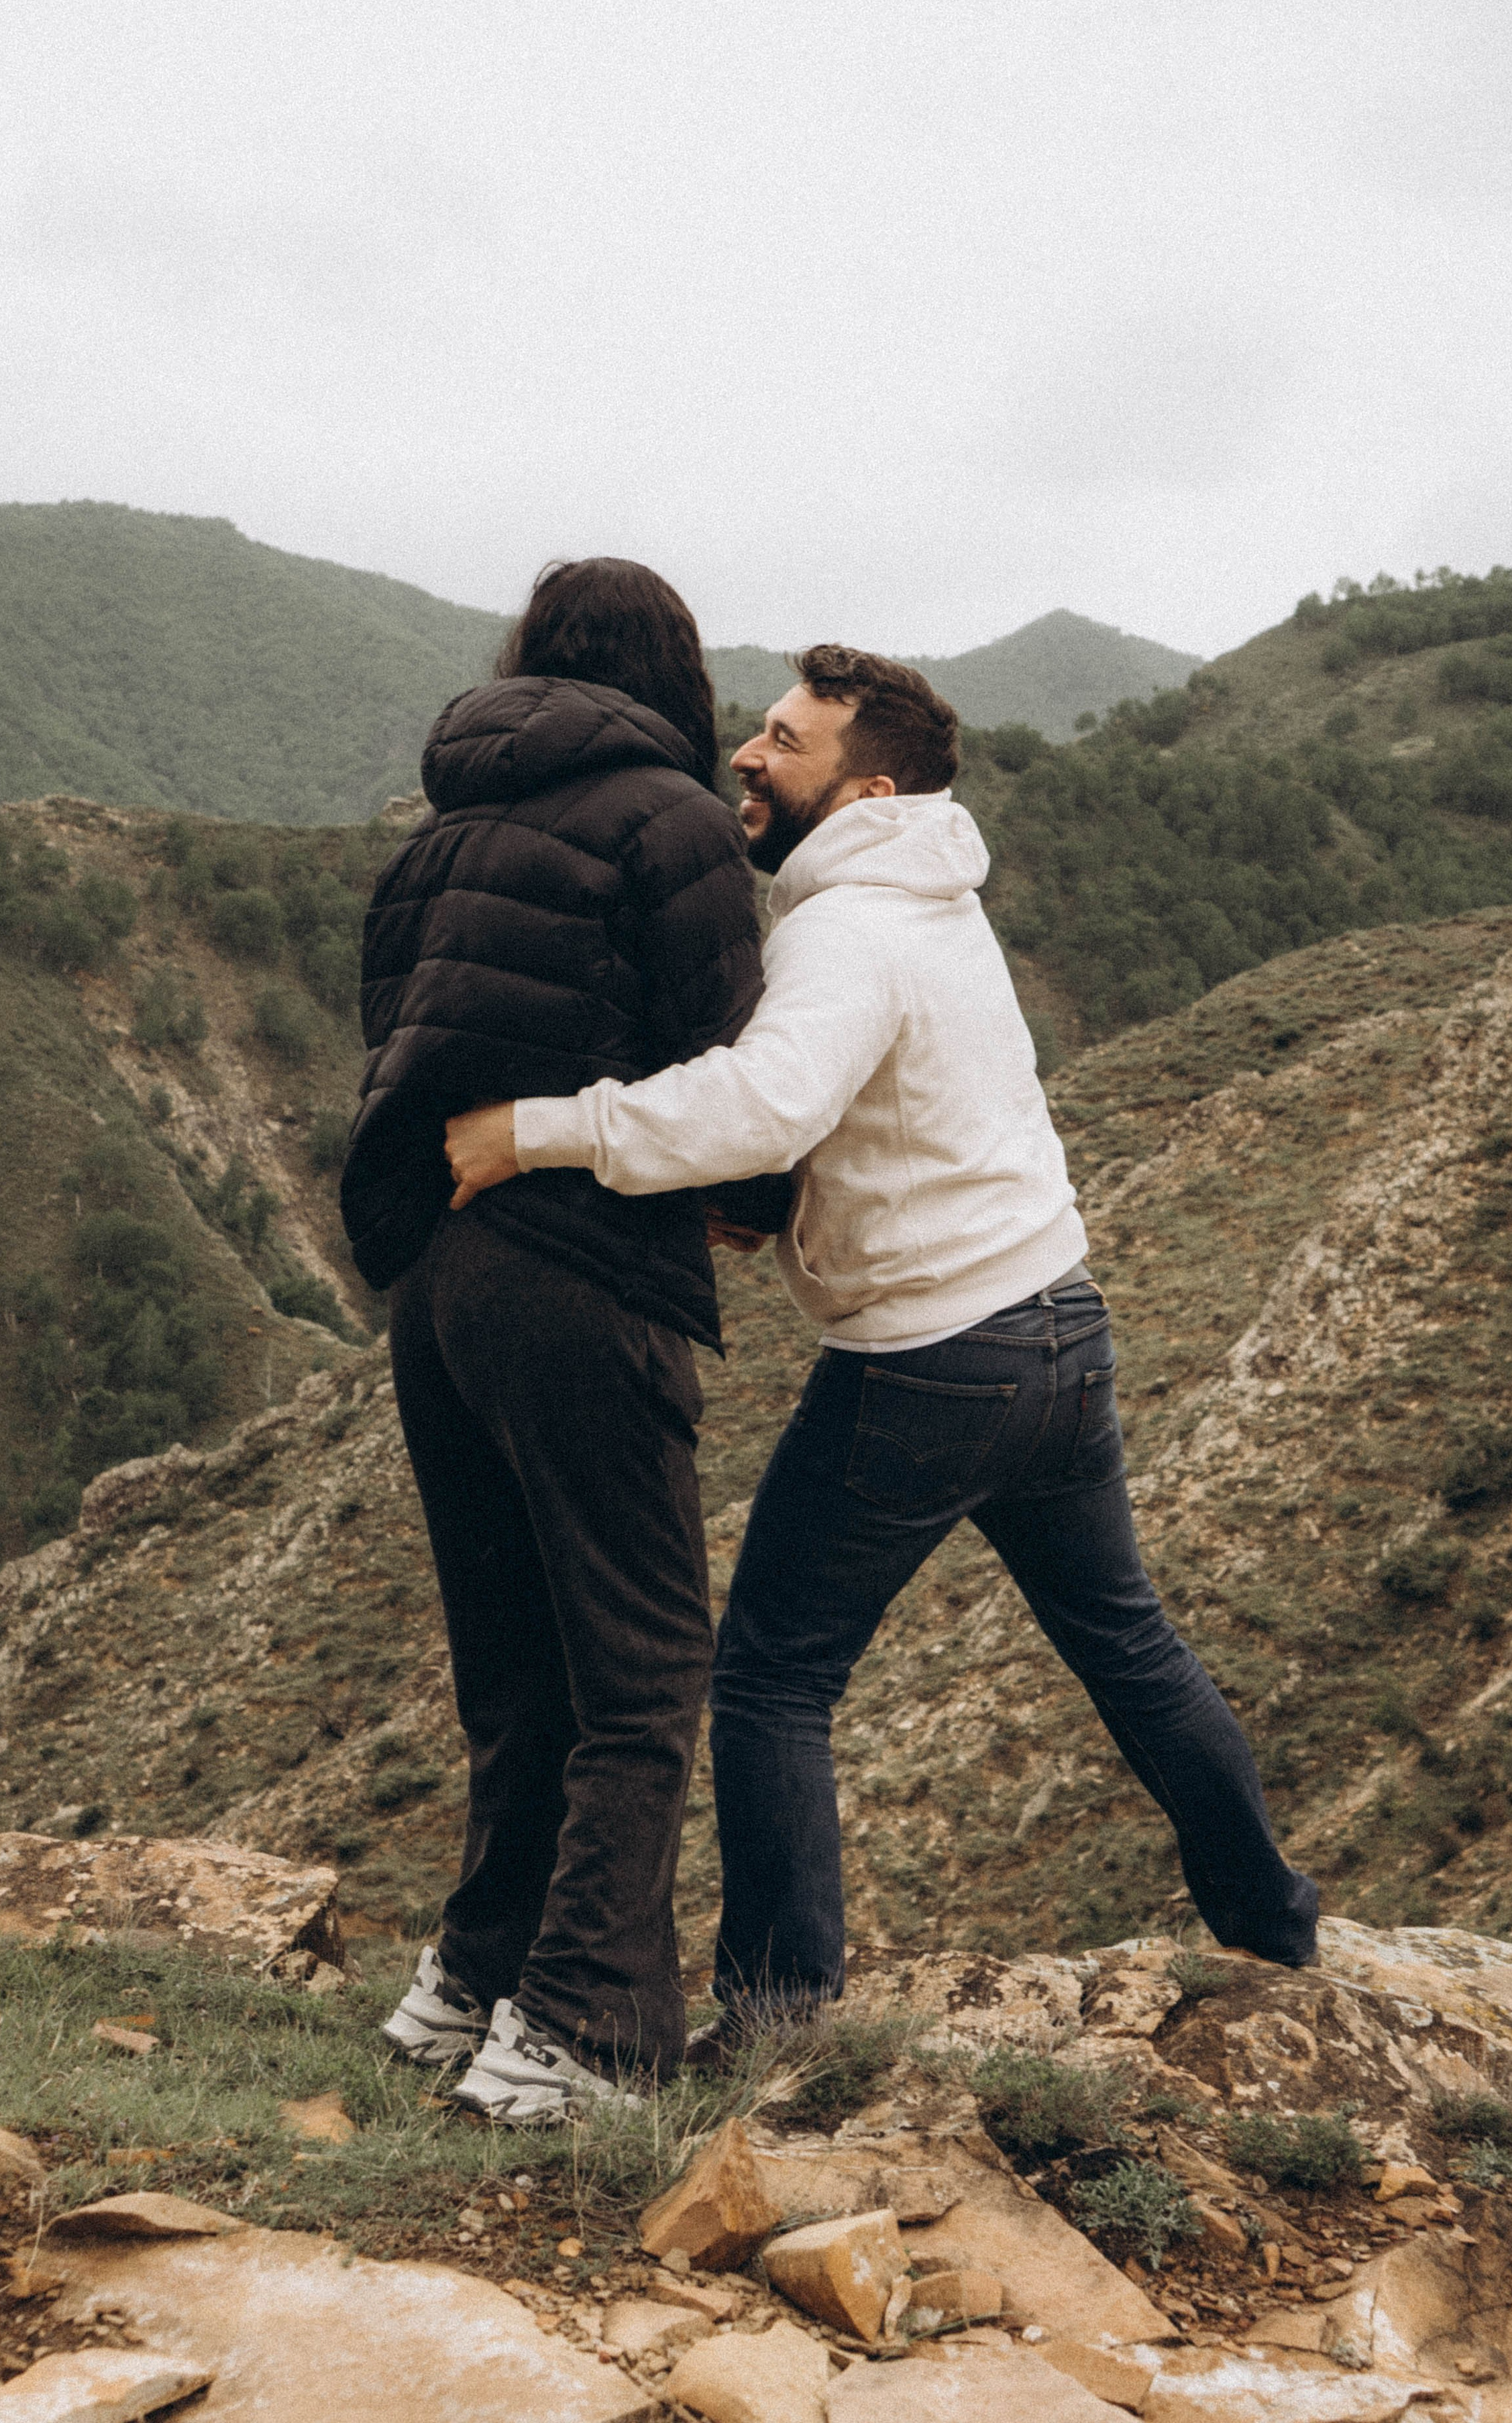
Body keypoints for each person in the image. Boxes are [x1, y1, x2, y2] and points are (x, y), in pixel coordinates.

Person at [443, 644, 1319, 2052]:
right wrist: (791, 1216)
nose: (747, 754)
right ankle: (1271, 1923)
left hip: (930, 1363)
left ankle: (777, 2018)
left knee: (772, 1676)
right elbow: (889, 1112)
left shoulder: (844, 926)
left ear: (867, 785)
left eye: (783, 742)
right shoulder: (928, 899)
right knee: (1127, 1648)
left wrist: (538, 1128)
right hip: (1055, 1324)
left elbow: (768, 1104)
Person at [339, 557, 787, 2122]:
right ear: (675, 672)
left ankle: (467, 1982)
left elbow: (398, 1051)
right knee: (644, 1660)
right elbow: (731, 1055)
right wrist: (753, 1200)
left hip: (440, 1286)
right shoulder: (669, 821)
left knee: (516, 1660)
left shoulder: (440, 836)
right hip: (583, 1273)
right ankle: (586, 2026)